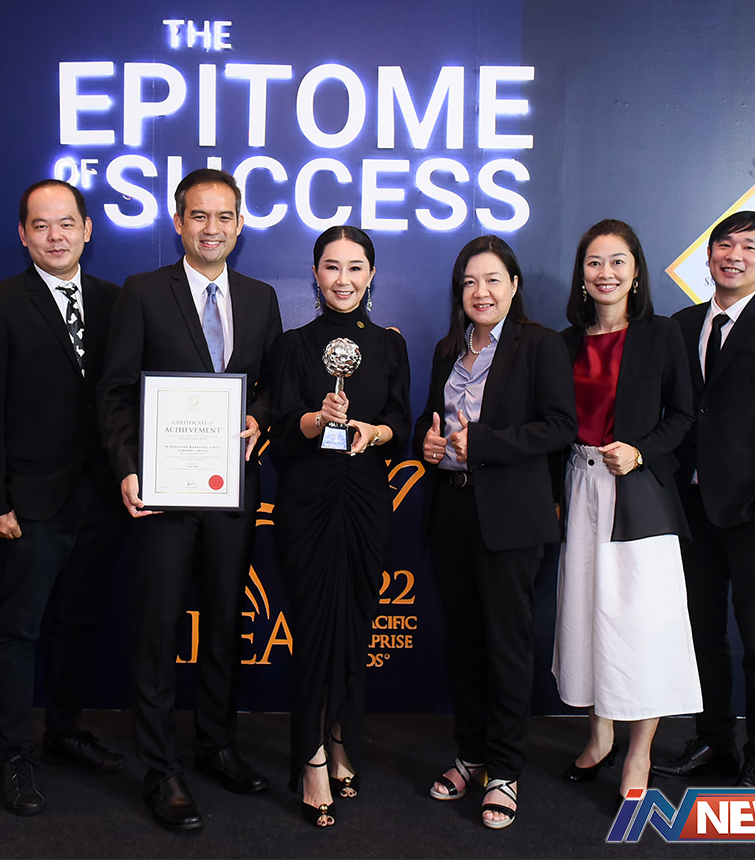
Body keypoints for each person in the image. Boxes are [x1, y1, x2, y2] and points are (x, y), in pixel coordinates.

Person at [97, 168, 282, 832]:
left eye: (224, 216)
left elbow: (271, 385)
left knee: (226, 625)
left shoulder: (260, 297)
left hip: (231, 492)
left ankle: (216, 745)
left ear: (240, 224)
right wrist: (127, 468)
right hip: (163, 493)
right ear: (178, 223)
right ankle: (160, 768)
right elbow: (115, 392)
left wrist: (258, 416)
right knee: (157, 629)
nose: (212, 228)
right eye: (198, 215)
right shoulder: (143, 292)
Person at [0, 179, 127, 815]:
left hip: (102, 497)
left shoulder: (116, 301)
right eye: (41, 225)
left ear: (88, 230)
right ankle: (14, 754)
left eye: (66, 224)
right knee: (19, 629)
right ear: (23, 234)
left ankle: (63, 731)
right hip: (28, 501)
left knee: (78, 622)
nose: (55, 236)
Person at [652, 211, 755, 787]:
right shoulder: (680, 325)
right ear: (709, 255)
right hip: (691, 509)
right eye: (724, 244)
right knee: (701, 637)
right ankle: (712, 742)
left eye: (750, 247)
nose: (734, 255)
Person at [415, 236, 576, 829]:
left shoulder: (540, 344)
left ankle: (505, 771)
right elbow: (432, 420)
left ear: (513, 286)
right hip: (451, 510)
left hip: (509, 517)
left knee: (506, 646)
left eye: (491, 280)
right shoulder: (447, 349)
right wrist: (427, 441)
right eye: (469, 282)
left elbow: (560, 427)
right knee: (464, 643)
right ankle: (471, 754)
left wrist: (479, 443)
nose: (480, 292)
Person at [551, 219, 701, 799]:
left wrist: (640, 451)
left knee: (641, 625)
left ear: (636, 272)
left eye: (618, 261)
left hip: (639, 493)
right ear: (581, 274)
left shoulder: (662, 335)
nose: (605, 273)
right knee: (587, 614)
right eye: (594, 262)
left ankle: (639, 753)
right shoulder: (564, 342)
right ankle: (600, 737)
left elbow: (683, 415)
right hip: (579, 487)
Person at [269, 226, 411, 828]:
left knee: (354, 626)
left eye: (355, 267)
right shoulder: (293, 345)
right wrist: (315, 418)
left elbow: (400, 424)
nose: (343, 279)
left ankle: (339, 736)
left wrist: (370, 432)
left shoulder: (389, 346)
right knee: (313, 629)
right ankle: (310, 758)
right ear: (315, 274)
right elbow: (279, 432)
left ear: (371, 274)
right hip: (306, 503)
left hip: (366, 500)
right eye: (332, 267)